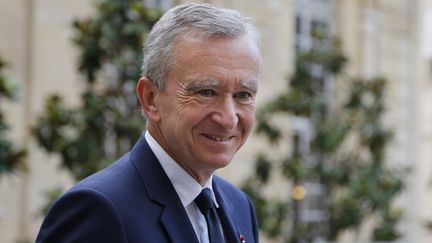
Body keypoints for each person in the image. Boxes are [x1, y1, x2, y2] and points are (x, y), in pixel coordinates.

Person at [36, 3, 262, 243]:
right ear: (151, 98)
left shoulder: (240, 206)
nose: (228, 119)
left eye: (243, 95)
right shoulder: (99, 210)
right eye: (206, 92)